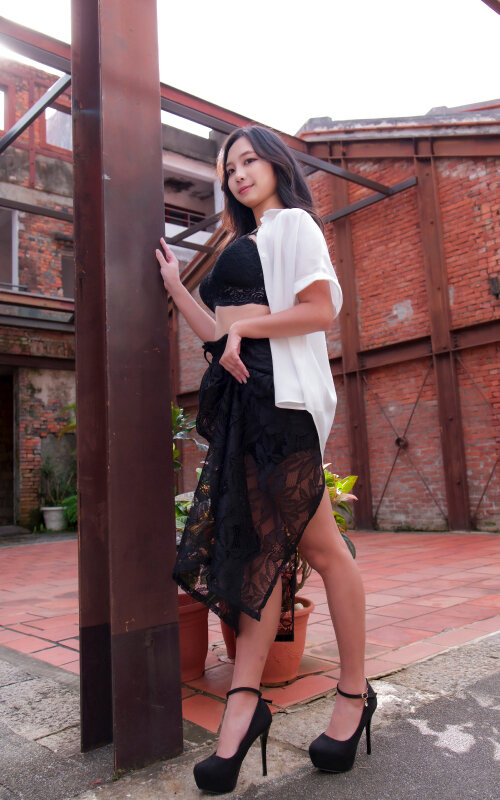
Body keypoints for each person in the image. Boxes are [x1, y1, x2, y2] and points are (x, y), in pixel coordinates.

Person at [155, 125, 377, 794]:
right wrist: (176, 287)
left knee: (322, 549)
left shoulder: (294, 226)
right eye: (230, 168)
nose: (240, 174)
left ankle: (353, 692)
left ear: (277, 163)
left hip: (280, 402)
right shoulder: (244, 240)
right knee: (259, 556)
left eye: (249, 160)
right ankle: (245, 707)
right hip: (242, 404)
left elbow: (318, 310)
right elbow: (220, 334)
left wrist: (247, 327)